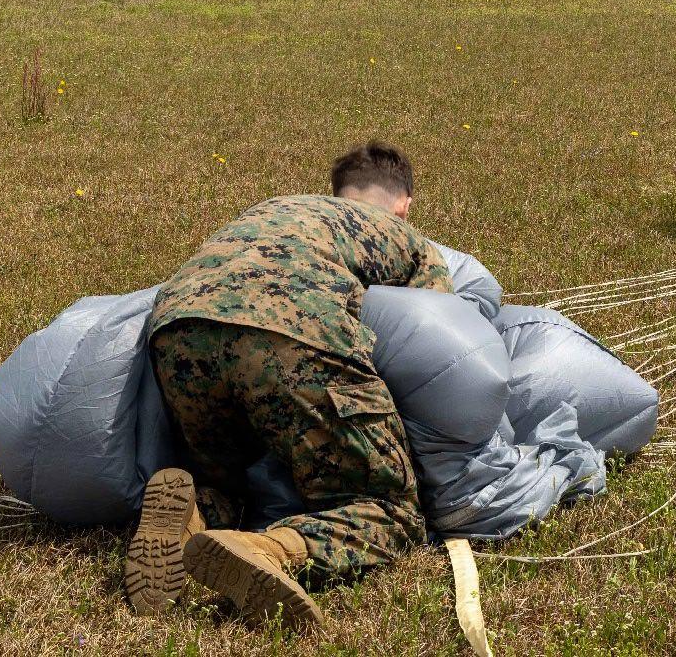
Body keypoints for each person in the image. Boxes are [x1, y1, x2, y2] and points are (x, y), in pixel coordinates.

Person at [123, 141, 452, 628]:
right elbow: (435, 334)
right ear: (403, 204)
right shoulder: (406, 239)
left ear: (338, 192)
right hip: (293, 331)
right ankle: (269, 548)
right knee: (390, 510)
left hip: (179, 330)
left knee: (228, 478)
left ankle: (195, 511)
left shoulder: (275, 207)